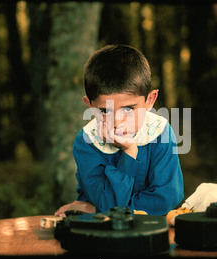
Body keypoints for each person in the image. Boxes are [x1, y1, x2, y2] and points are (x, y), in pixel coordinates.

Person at [55, 45, 184, 217]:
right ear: (90, 105)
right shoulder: (86, 142)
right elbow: (109, 203)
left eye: (128, 109)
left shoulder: (160, 132)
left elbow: (166, 199)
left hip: (151, 231)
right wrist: (129, 153)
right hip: (101, 231)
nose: (117, 122)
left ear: (150, 100)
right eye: (104, 111)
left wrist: (96, 209)